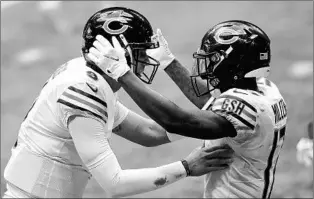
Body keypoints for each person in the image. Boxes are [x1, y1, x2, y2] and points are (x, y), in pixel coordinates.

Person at [2, 7, 234, 198]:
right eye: (140, 52)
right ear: (118, 53)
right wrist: (186, 167)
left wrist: (203, 124)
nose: (145, 59)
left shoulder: (89, 77)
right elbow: (115, 184)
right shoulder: (84, 90)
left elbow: (150, 132)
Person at [88, 20, 288, 198]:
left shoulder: (249, 108)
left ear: (233, 64)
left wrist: (123, 73)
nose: (207, 66)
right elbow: (211, 104)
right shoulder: (265, 91)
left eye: (213, 59)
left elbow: (178, 121)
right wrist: (169, 63)